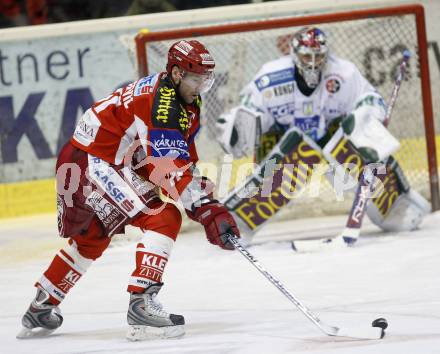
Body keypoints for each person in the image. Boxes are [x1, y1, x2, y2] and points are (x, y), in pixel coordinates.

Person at [17, 39, 240, 341]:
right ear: (176, 73)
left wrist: (204, 202)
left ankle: (42, 304)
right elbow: (169, 167)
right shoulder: (164, 105)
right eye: (195, 78)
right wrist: (206, 208)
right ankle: (142, 302)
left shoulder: (183, 98)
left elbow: (178, 161)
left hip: (90, 157)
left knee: (92, 238)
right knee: (163, 217)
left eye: (205, 79)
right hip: (94, 160)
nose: (201, 86)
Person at [216, 27, 429, 235]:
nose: (313, 62)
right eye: (307, 56)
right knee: (289, 156)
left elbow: (370, 99)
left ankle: (394, 207)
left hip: (329, 134)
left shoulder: (344, 73)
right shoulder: (271, 76)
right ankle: (242, 217)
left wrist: (367, 115)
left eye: (318, 56)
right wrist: (239, 126)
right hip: (283, 137)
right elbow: (250, 110)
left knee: (350, 147)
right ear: (294, 54)